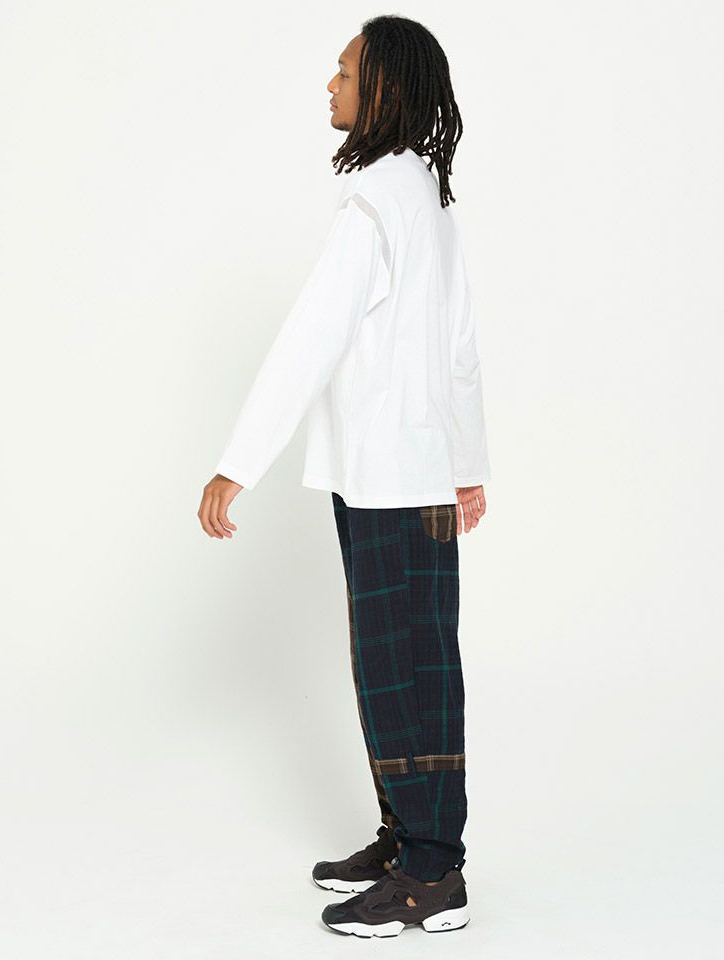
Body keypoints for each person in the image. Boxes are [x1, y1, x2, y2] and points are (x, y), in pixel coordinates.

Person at [197, 15, 490, 938]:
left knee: (402, 664)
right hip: (405, 473)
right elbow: (461, 346)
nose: (331, 85)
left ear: (386, 89)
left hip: (393, 477)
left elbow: (309, 341)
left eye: (346, 71)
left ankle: (433, 873)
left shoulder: (377, 202)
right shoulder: (425, 197)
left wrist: (238, 462)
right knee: (401, 658)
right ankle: (410, 839)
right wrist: (468, 466)